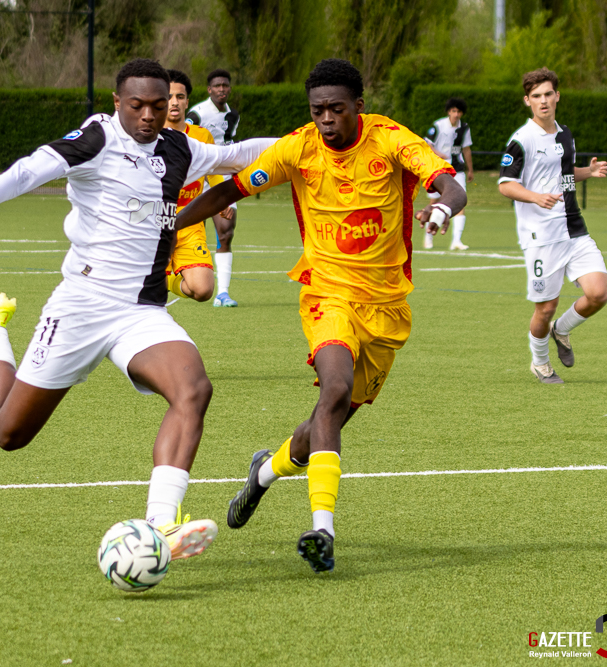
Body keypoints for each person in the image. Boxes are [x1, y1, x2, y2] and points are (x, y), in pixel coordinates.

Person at [0, 58, 275, 561]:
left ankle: (160, 526)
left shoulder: (179, 147)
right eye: (136, 105)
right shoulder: (96, 139)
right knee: (9, 433)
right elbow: (24, 174)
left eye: (158, 107)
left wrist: (306, 141)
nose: (148, 116)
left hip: (141, 312)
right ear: (117, 103)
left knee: (193, 389)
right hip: (82, 305)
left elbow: (236, 154)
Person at [175, 59, 466, 573]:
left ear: (359, 105)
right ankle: (322, 529)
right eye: (318, 110)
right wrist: (169, 226)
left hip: (386, 306)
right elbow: (228, 191)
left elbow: (449, 183)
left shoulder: (392, 140)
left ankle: (264, 472)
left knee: (327, 421)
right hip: (326, 293)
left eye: (336, 109)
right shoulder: (298, 147)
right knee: (332, 392)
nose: (326, 119)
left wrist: (441, 209)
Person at [498, 67, 607, 384]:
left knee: (598, 293)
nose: (544, 101)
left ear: (557, 96)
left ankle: (561, 330)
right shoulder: (521, 140)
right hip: (541, 236)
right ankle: (540, 363)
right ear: (527, 101)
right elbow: (506, 185)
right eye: (537, 96)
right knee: (545, 308)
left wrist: (587, 173)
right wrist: (535, 197)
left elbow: (562, 172)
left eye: (548, 94)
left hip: (573, 228)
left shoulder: (564, 133)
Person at [163, 69, 223, 302]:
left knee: (203, 290)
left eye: (180, 96)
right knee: (137, 291)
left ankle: (165, 281)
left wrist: (221, 202)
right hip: (155, 221)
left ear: (188, 101)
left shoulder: (202, 135)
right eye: (168, 97)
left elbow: (214, 170)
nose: (174, 102)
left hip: (190, 220)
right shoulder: (149, 134)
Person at [187, 69, 241, 307]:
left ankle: (223, 293)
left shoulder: (233, 115)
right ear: (209, 90)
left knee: (226, 230)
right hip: (196, 178)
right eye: (217, 86)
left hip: (221, 177)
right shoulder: (197, 113)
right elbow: (183, 135)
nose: (222, 89)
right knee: (179, 228)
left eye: (225, 85)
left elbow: (230, 143)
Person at [423, 97, 474, 250]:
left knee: (459, 202)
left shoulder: (464, 128)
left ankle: (456, 241)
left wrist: (470, 169)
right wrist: (440, 155)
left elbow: (466, 149)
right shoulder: (438, 126)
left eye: (459, 112)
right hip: (438, 168)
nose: (456, 114)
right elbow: (427, 145)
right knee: (435, 202)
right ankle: (428, 236)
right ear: (448, 112)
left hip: (457, 169)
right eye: (453, 111)